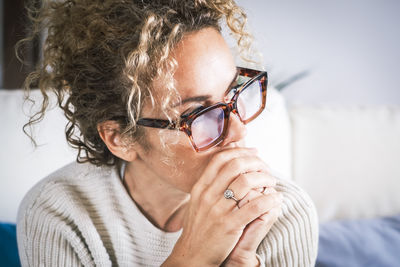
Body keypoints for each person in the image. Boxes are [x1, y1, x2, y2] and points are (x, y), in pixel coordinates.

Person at [17, 0, 318, 266]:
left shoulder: (283, 215)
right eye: (196, 115)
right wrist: (193, 256)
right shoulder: (57, 213)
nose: (239, 130)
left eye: (233, 93)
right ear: (119, 138)